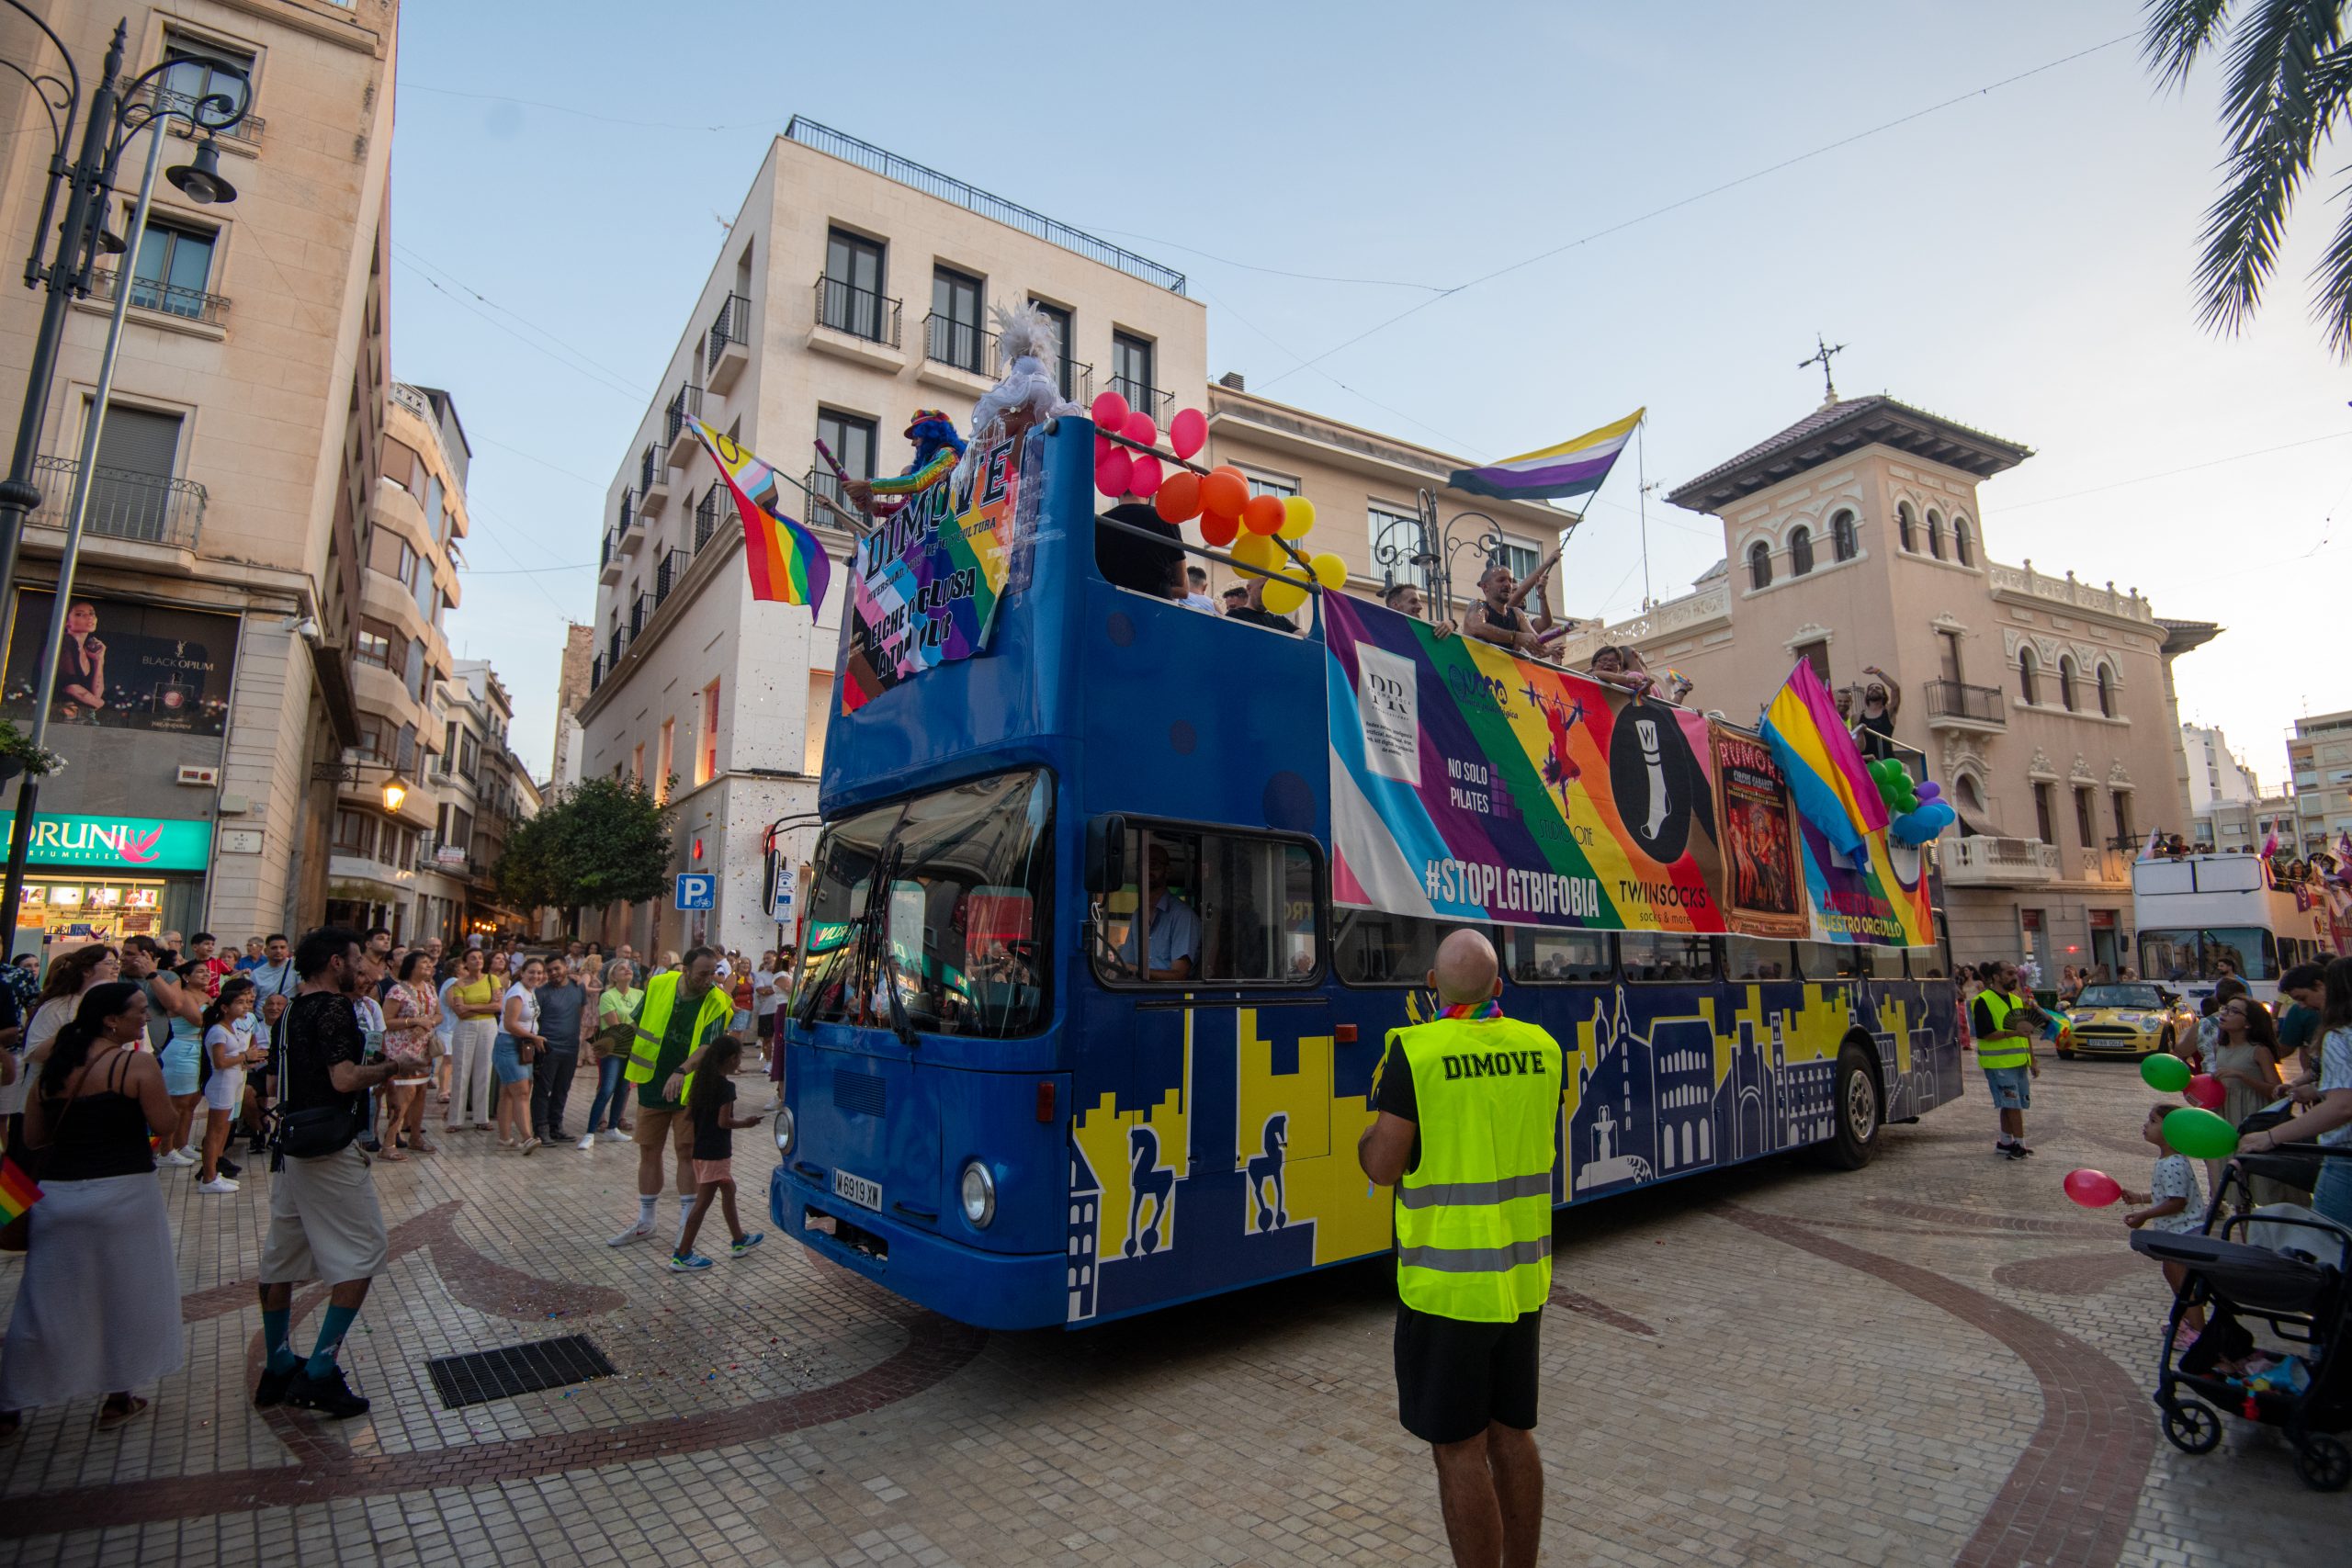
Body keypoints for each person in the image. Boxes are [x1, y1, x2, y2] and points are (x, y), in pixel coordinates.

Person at [1356, 930, 1560, 1568]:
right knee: (1512, 1434)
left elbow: (1384, 1166)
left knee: (1458, 1449)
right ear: (1500, 987)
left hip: (1446, 1290)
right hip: (1520, 1284)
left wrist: (1366, 1139)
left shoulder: (1415, 1052)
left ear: (1430, 987)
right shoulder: (1543, 1048)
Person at [0, 983, 181, 1437]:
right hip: (124, 1194)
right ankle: (119, 1397)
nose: (145, 1019)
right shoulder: (135, 1064)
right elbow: (165, 1125)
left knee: (44, 1302)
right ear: (110, 1020)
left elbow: (35, 1139)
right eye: (139, 1012)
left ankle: (10, 1400)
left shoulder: (53, 1071)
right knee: (127, 1296)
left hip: (59, 1197)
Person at [254, 928, 402, 1420]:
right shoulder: (334, 1009)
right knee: (364, 1254)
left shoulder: (290, 1007)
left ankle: (277, 1363)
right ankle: (318, 1371)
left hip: (292, 1142)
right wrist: (390, 1068)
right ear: (334, 962)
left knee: (282, 1257)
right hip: (328, 1145)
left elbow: (275, 1081)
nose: (360, 969)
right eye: (355, 960)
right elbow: (342, 1078)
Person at [609, 946, 741, 1251]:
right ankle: (646, 1221)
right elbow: (637, 1024)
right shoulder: (659, 984)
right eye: (702, 974)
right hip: (651, 1082)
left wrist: (681, 1070)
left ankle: (685, 1223)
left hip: (690, 1089)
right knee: (649, 1150)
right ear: (686, 970)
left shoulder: (718, 1001)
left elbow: (707, 1047)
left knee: (686, 1152)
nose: (709, 980)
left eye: (714, 973)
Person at [2240, 955, 2352, 1228]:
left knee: (2328, 1243)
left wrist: (2271, 1136)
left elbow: (2342, 1106)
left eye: (2302, 998)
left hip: (2345, 1159)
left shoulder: (2339, 1037)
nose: (2303, 1006)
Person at [669, 1037, 766, 1272]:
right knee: (702, 1204)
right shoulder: (726, 1088)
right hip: (717, 1152)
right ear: (732, 1059)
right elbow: (724, 1122)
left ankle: (739, 1239)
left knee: (729, 1189)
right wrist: (747, 1123)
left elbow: (689, 1116)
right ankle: (682, 1253)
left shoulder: (701, 1084)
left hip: (701, 1150)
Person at [2121, 1099, 2209, 1348]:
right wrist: (2140, 1198)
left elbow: (2177, 1202)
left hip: (2182, 1233)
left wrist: (2145, 1215)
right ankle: (2186, 1322)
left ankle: (2197, 1333)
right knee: (2174, 1279)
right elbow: (2167, 1193)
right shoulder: (2168, 1161)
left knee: (2184, 1285)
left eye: (2153, 1121)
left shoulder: (2173, 1163)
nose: (2145, 1125)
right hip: (2174, 1232)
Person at [1970, 961, 2042, 1158]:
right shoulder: (1983, 1000)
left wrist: (2033, 1060)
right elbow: (1985, 1034)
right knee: (2013, 1105)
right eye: (2009, 973)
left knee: (2008, 1104)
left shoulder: (2017, 1000)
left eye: (2015, 974)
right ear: (1996, 976)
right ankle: (2019, 1145)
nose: (2014, 977)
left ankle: (2005, 1142)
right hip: (1998, 1064)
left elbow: (2026, 1033)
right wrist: (2013, 1032)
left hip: (2018, 1062)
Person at [198, 978, 264, 1191]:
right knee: (215, 1130)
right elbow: (219, 1062)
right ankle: (208, 1177)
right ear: (225, 1008)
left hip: (233, 1079)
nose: (245, 1006)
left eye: (246, 1002)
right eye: (239, 1002)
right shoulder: (218, 1031)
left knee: (224, 1126)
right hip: (222, 1083)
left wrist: (248, 1059)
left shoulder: (231, 1029)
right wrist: (245, 1055)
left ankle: (215, 1171)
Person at [1109, 843, 1199, 982]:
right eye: (1141, 864)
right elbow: (1128, 962)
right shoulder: (1138, 915)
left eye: (1154, 864)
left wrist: (1137, 970)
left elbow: (1179, 975)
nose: (1146, 870)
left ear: (1167, 871)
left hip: (1169, 998)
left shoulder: (1182, 915)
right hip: (1139, 994)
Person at [379, 953, 439, 1160]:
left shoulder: (430, 988)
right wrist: (413, 1022)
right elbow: (386, 1020)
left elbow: (439, 1014)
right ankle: (388, 1142)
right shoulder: (398, 990)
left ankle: (415, 1136)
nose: (429, 966)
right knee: (406, 1094)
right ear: (411, 966)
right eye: (424, 962)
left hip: (422, 1047)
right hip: (402, 1049)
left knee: (421, 1090)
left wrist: (427, 1023)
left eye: (430, 964)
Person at [582, 958, 642, 1148]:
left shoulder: (640, 994)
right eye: (621, 969)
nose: (627, 970)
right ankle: (590, 1132)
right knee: (607, 1088)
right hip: (613, 1049)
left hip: (632, 1048)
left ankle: (613, 1128)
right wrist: (637, 1026)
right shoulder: (608, 996)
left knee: (623, 1088)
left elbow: (645, 1020)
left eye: (629, 968)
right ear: (613, 976)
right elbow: (616, 1026)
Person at [443, 947, 500, 1134]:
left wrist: (471, 1006)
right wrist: (484, 1006)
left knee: (485, 1069)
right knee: (461, 1070)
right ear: (466, 963)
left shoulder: (492, 980)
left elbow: (498, 1006)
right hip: (465, 1026)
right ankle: (455, 1119)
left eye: (480, 957)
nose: (478, 961)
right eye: (473, 958)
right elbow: (459, 1010)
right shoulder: (458, 984)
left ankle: (481, 1117)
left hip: (487, 1026)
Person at [492, 956, 547, 1153]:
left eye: (539, 972)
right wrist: (534, 1037)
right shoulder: (517, 993)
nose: (536, 976)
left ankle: (505, 1137)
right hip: (509, 1044)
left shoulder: (530, 992)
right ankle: (527, 1137)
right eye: (531, 972)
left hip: (524, 1045)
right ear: (522, 973)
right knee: (522, 1091)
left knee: (508, 1092)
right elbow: (510, 1024)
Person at [530, 956, 586, 1145]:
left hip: (571, 1047)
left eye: (557, 969)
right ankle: (541, 1128)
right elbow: (534, 1019)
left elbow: (581, 1012)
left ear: (566, 967)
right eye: (550, 970)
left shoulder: (578, 987)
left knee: (562, 1088)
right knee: (543, 1090)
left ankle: (556, 1126)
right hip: (548, 1048)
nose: (553, 973)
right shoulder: (541, 992)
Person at [1462, 554, 1558, 655]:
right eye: (1501, 580)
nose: (1508, 584)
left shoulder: (1517, 614)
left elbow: (1534, 640)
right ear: (1485, 587)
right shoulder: (1477, 605)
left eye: (1510, 581)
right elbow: (1476, 627)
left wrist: (1545, 649)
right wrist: (1515, 637)